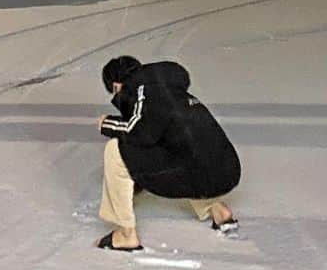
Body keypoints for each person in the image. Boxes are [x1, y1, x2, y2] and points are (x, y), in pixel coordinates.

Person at [95, 55, 241, 252]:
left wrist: (106, 123)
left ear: (116, 85)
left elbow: (138, 132)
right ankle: (218, 210)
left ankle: (126, 234)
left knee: (115, 150)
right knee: (181, 146)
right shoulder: (169, 90)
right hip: (225, 170)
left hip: (204, 173)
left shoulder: (143, 92)